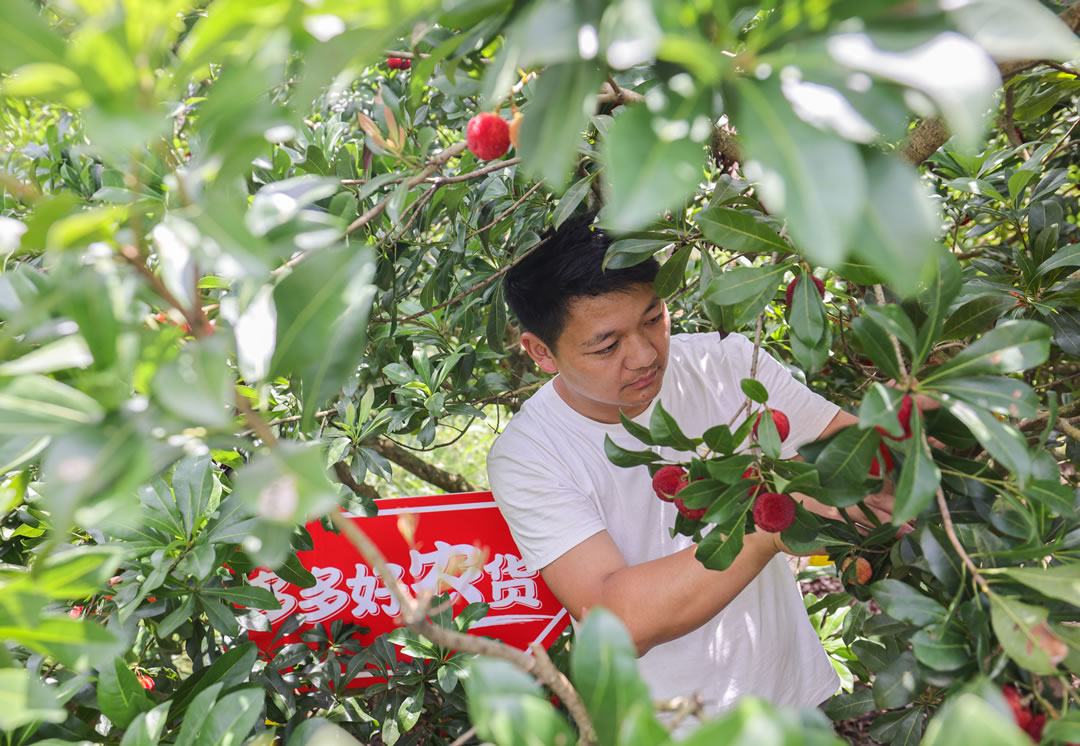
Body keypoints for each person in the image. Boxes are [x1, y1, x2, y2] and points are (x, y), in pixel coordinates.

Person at [485, 213, 897, 720]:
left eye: (654, 319)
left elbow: (855, 452)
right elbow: (615, 620)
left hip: (795, 705)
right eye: (607, 346)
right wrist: (773, 518)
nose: (644, 356)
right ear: (541, 352)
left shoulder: (725, 364)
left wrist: (905, 426)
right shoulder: (530, 454)